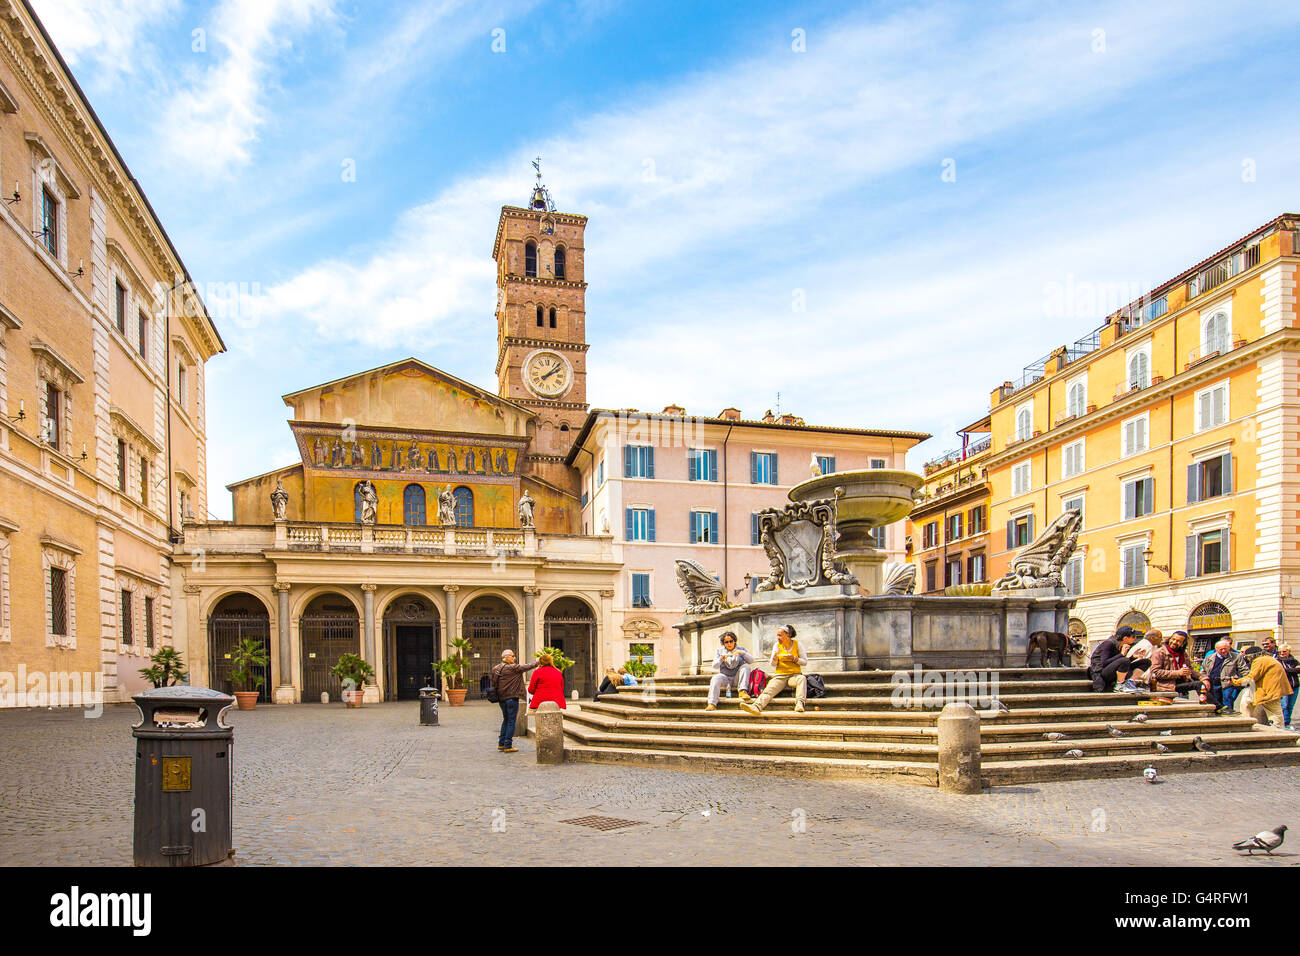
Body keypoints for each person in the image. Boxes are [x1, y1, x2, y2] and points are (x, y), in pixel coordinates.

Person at [740, 624, 807, 716]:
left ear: (788, 635)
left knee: (802, 678)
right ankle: (756, 707)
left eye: (780, 635)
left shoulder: (797, 644)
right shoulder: (777, 645)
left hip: (794, 675)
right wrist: (774, 658)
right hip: (780, 675)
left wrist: (794, 658)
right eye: (777, 635)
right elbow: (772, 664)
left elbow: (804, 662)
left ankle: (800, 703)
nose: (778, 637)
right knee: (769, 690)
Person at [1229, 646, 1291, 729]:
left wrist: (1235, 682)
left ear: (1251, 656)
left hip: (1269, 691)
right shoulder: (1267, 659)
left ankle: (1278, 731)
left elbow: (1252, 677)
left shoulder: (1259, 661)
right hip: (1270, 688)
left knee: (1274, 713)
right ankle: (1247, 721)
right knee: (1246, 701)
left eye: (1247, 657)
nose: (1247, 659)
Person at [490, 649, 539, 753]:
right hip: (512, 698)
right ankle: (508, 745)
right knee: (511, 722)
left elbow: (494, 683)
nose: (514, 658)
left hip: (501, 698)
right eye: (512, 656)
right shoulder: (513, 668)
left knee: (506, 720)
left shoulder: (495, 668)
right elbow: (527, 666)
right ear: (506, 657)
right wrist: (539, 662)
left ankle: (501, 744)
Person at [1087, 626, 1152, 692]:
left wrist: (1133, 657)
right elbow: (1104, 663)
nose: (1135, 638)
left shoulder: (1120, 645)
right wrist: (1121, 655)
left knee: (1146, 662)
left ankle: (1130, 682)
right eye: (1133, 637)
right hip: (1101, 673)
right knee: (1124, 660)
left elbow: (1120, 663)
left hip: (1114, 671)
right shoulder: (1108, 644)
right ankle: (1120, 685)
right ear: (1125, 638)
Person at [1148, 630, 1204, 700]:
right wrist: (1178, 673)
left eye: (1178, 641)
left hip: (1182, 685)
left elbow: (1190, 670)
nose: (1174, 642)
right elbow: (1155, 672)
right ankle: (1216, 707)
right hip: (1166, 686)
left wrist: (1203, 678)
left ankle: (1214, 706)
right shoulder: (1159, 653)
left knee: (1205, 682)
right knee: (1198, 684)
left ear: (1183, 643)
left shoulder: (1183, 654)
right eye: (1173, 639)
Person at [706, 631, 754, 711]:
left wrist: (743, 653)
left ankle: (742, 691)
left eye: (731, 641)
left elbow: (752, 661)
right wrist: (721, 659)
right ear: (723, 643)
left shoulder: (741, 649)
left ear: (734, 641)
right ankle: (712, 703)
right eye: (726, 642)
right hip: (725, 678)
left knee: (746, 666)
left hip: (737, 678)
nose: (729, 643)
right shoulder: (720, 651)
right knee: (716, 678)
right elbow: (714, 666)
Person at [1201, 638, 1243, 714]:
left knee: (1227, 700)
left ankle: (1229, 717)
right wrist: (1204, 679)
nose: (1223, 651)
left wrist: (1246, 679)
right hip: (1213, 682)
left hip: (1228, 683)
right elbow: (1203, 670)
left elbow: (1243, 669)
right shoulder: (1209, 657)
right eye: (1221, 649)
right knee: (1216, 702)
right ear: (1216, 649)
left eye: (1225, 649)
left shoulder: (1236, 657)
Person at [1277, 643, 1299, 730]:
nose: (1282, 653)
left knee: (1290, 705)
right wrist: (1294, 670)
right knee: (1284, 705)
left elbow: (1299, 669)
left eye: (1284, 651)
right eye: (1280, 652)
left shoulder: (1293, 660)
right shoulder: (1277, 661)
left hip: (1295, 685)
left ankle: (1287, 723)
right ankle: (1284, 723)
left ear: (1289, 651)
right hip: (1284, 686)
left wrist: (1288, 670)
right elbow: (1281, 671)